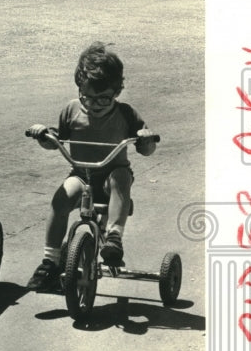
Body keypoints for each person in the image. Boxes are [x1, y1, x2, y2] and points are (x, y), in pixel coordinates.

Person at [25, 42, 156, 291]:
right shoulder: (71, 110)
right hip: (81, 173)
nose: (94, 104)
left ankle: (114, 238)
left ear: (117, 91)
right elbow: (56, 141)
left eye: (103, 98)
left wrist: (146, 138)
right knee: (61, 199)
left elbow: (146, 149)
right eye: (88, 97)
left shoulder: (126, 114)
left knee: (120, 177)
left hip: (111, 175)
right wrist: (44, 135)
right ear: (79, 89)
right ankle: (50, 261)